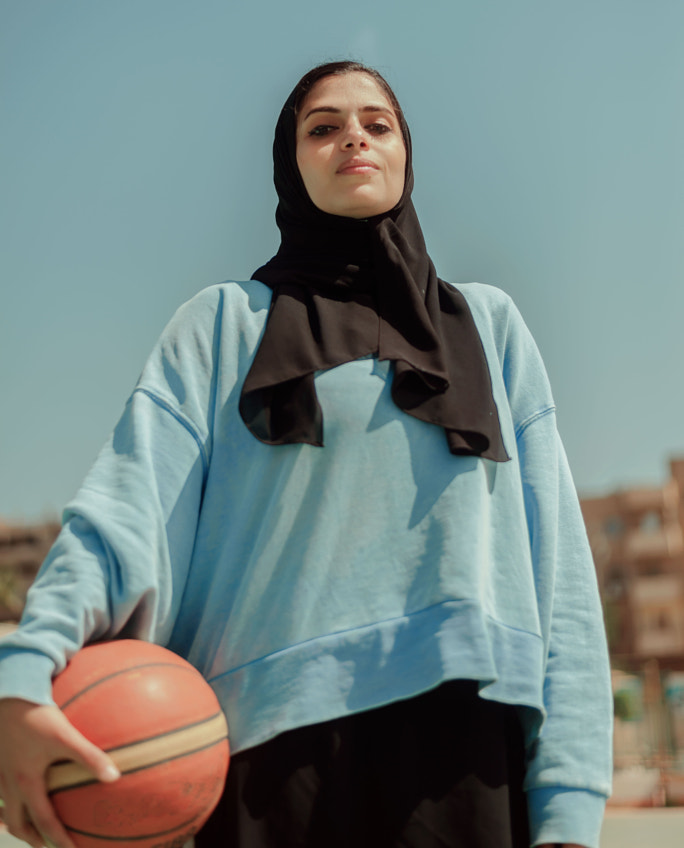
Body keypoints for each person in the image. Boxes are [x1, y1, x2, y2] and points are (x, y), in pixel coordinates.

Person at [0, 61, 612, 848]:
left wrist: (568, 802)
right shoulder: (223, 326)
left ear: (403, 153)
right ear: (291, 166)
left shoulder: (491, 327)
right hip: (270, 764)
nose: (352, 135)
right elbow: (124, 517)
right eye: (322, 127)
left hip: (469, 751)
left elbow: (561, 579)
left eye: (376, 123)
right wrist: (26, 669)